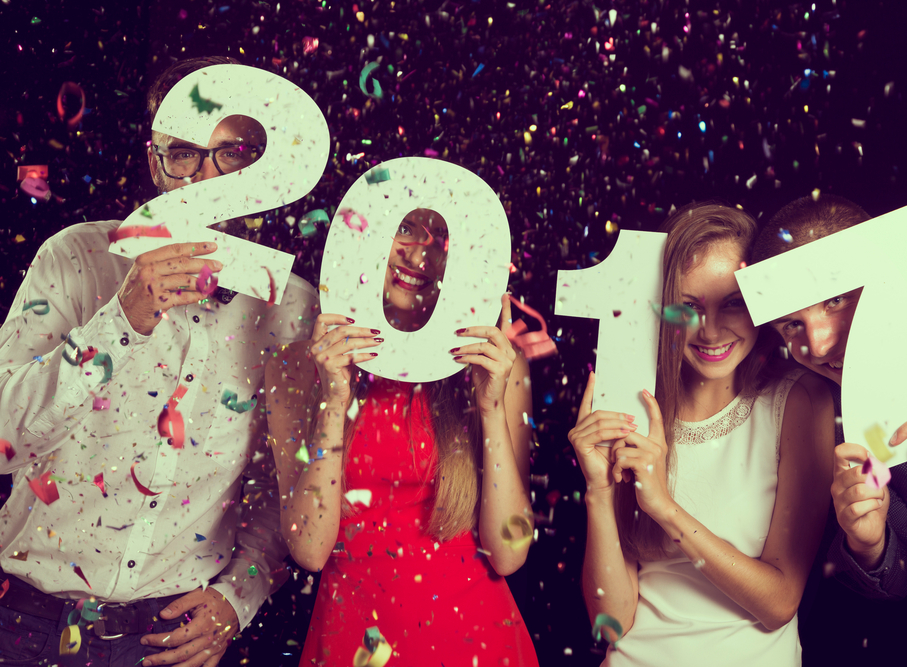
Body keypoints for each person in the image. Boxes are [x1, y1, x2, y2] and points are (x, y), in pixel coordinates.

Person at [0, 56, 317, 667]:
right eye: (183, 153)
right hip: (26, 623)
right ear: (156, 162)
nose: (204, 176)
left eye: (229, 154)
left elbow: (280, 490)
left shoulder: (292, 310)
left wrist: (237, 597)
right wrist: (120, 322)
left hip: (169, 637)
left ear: (258, 167)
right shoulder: (73, 258)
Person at [264, 208, 538, 666]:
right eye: (406, 228)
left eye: (441, 241)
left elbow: (510, 555)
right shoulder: (294, 367)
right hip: (353, 638)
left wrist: (490, 407)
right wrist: (335, 400)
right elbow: (310, 550)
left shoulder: (496, 370)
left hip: (474, 637)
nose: (418, 255)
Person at [571, 202, 833, 666]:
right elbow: (612, 617)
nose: (710, 331)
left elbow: (779, 603)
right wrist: (597, 489)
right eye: (689, 307)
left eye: (732, 303)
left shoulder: (799, 400)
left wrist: (664, 509)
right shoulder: (630, 402)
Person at [751, 194, 907, 666]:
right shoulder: (831, 403)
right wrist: (871, 545)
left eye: (837, 299)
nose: (819, 343)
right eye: (791, 324)